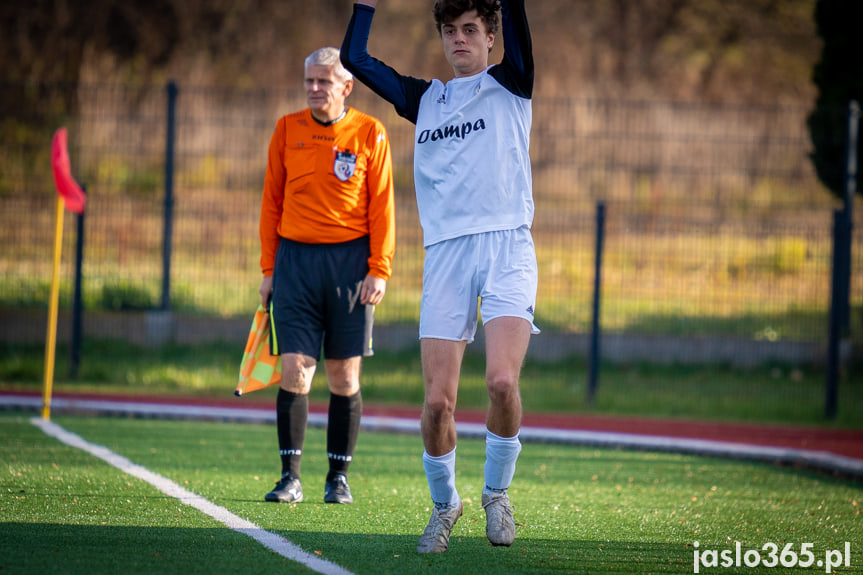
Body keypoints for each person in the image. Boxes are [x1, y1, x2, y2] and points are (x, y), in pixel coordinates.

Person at [342, 0, 537, 553]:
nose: (459, 40)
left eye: (470, 30)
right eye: (450, 31)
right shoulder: (424, 98)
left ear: (492, 37)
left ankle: (496, 496)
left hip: (506, 247)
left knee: (501, 382)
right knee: (437, 405)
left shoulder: (512, 83)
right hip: (446, 255)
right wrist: (365, 4)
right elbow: (355, 57)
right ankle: (444, 504)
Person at [258, 46, 396, 506]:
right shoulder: (286, 129)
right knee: (295, 370)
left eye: (323, 81)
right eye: (309, 81)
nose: (314, 89)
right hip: (296, 264)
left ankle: (337, 477)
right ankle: (289, 476)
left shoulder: (370, 133)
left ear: (346, 86)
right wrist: (268, 269)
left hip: (350, 267)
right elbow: (271, 205)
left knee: (343, 375)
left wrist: (380, 268)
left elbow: (383, 208)